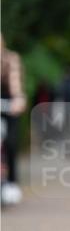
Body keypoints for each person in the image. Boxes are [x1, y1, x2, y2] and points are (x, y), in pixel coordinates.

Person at [0, 34, 27, 205]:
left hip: (8, 104)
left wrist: (17, 100)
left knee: (10, 143)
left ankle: (12, 181)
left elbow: (15, 84)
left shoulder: (11, 59)